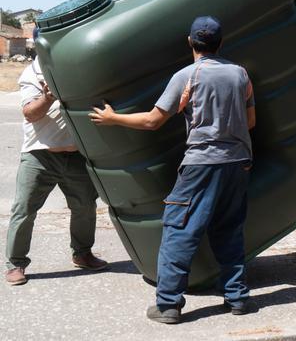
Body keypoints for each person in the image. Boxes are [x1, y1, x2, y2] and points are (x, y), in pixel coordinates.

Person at [89, 16, 256, 324]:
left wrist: (113, 119)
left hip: (202, 164)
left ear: (190, 42)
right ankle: (237, 298)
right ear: (221, 43)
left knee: (179, 230)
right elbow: (250, 123)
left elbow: (153, 121)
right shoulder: (240, 75)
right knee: (229, 229)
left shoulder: (187, 77)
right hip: (238, 163)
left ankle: (168, 305)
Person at [5, 28, 108, 286]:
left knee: (85, 207)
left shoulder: (74, 66)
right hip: (40, 155)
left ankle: (83, 254)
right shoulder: (32, 74)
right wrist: (49, 95)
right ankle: (16, 264)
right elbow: (30, 113)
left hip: (76, 155)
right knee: (24, 209)